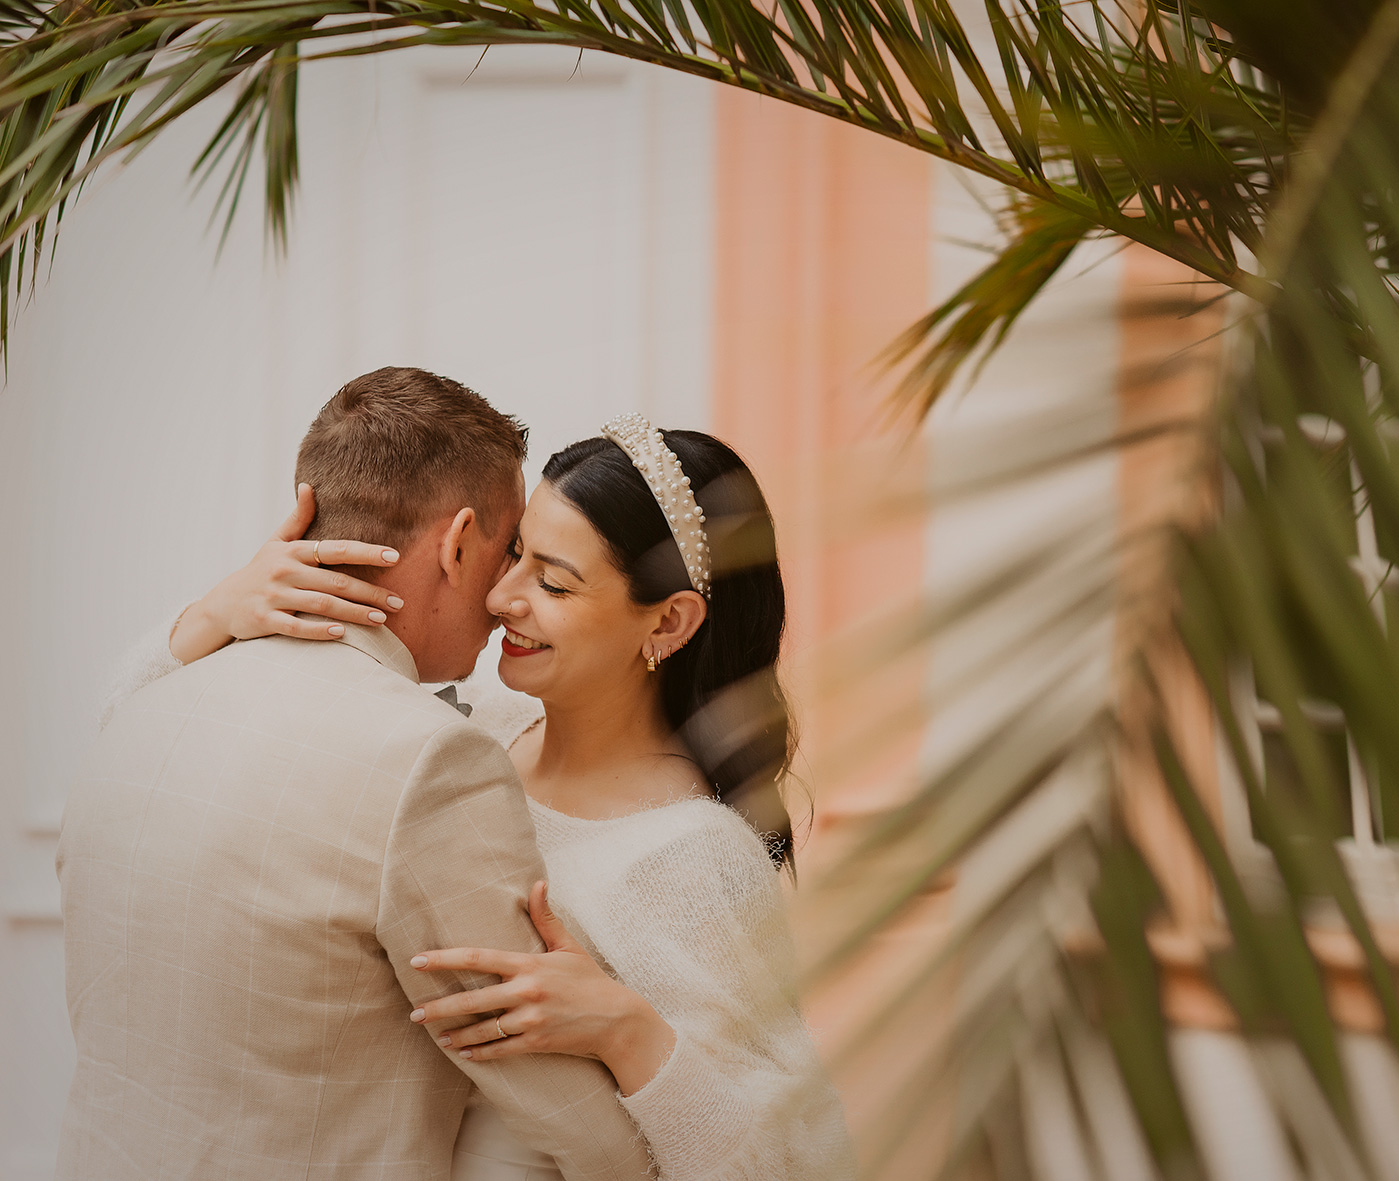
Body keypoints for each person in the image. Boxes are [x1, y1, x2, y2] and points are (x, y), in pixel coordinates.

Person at [103, 388, 856, 1180]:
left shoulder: (692, 858)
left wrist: (626, 1030)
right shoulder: (473, 731)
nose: (500, 598)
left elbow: (795, 1160)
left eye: (555, 585)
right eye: (515, 554)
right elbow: (130, 738)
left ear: (667, 623)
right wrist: (213, 613)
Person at [59, 368, 654, 1181]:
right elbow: (551, 1097)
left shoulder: (141, 710)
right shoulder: (429, 761)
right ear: (457, 543)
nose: (509, 591)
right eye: (510, 548)